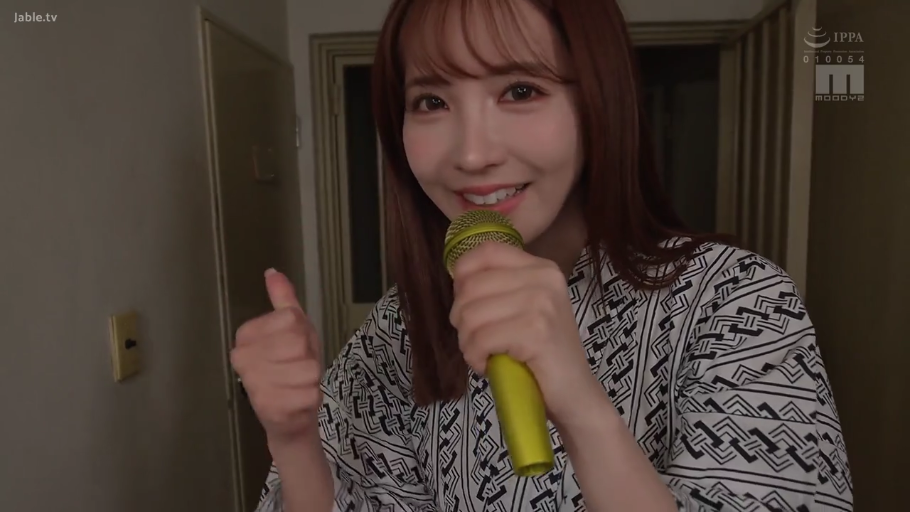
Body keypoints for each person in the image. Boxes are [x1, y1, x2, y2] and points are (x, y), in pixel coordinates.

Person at [230, 0, 854, 510]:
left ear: (599, 102)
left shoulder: (737, 300)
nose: (472, 154)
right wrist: (295, 440)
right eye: (432, 101)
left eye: (521, 90)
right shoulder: (399, 328)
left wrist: (581, 408)